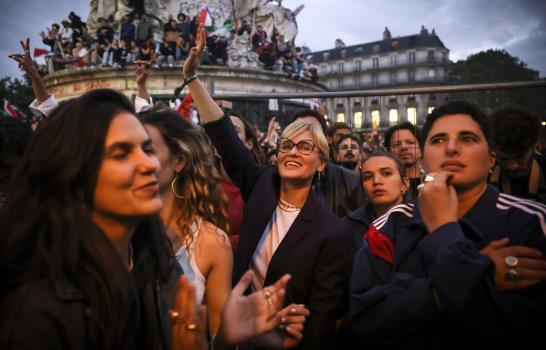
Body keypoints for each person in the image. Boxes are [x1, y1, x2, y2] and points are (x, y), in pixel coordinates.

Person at [185, 24, 357, 350]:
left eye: (305, 147)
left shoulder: (333, 232)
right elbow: (225, 135)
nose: (292, 151)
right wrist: (192, 79)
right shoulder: (262, 183)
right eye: (287, 145)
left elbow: (321, 317)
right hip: (231, 333)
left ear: (322, 163)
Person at [350, 100, 546, 348]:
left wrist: (443, 233)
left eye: (467, 139)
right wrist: (476, 273)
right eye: (439, 140)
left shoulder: (533, 222)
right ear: (422, 160)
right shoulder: (388, 226)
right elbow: (366, 319)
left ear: (491, 159)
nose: (452, 148)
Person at [138, 108, 233, 337]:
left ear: (179, 161)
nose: (138, 162)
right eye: (129, 151)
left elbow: (221, 338)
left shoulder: (213, 242)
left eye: (148, 150)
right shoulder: (122, 231)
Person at [292, 110, 366, 217]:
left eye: (313, 131)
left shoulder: (351, 182)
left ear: (326, 140)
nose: (305, 137)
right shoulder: (275, 179)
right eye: (298, 131)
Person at [344, 152, 410, 238]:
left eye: (386, 173)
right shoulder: (347, 227)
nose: (376, 181)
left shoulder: (423, 220)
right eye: (368, 177)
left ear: (404, 184)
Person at [489, 106, 546, 204]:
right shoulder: (483, 177)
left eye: (520, 157)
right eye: (503, 158)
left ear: (534, 147)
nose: (512, 166)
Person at [384, 121, 422, 199]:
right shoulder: (384, 184)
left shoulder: (433, 181)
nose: (404, 147)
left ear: (421, 147)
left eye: (410, 142)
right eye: (397, 144)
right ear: (388, 151)